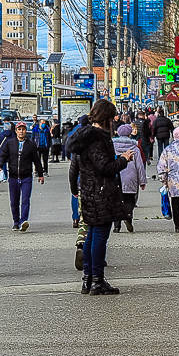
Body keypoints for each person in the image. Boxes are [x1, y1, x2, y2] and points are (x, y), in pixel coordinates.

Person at [68, 100, 136, 295]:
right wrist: (124, 159)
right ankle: (97, 280)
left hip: (89, 191)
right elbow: (104, 167)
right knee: (99, 237)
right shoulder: (97, 138)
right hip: (101, 193)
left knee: (91, 235)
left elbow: (79, 166)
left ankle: (88, 279)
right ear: (106, 118)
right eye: (112, 117)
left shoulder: (84, 136)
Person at [0, 121, 45, 232]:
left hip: (26, 177)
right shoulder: (10, 143)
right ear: (16, 131)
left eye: (23, 129)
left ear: (25, 131)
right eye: (19, 129)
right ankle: (16, 222)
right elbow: (2, 156)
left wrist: (40, 174)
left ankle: (23, 221)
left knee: (25, 199)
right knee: (14, 201)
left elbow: (36, 160)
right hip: (13, 176)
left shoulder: (31, 144)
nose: (21, 131)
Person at [112, 123, 146, 233]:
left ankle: (117, 226)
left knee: (116, 200)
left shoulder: (112, 146)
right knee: (130, 199)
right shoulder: (135, 148)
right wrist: (142, 181)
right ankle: (128, 216)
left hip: (116, 175)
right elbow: (140, 165)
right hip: (131, 176)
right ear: (129, 133)